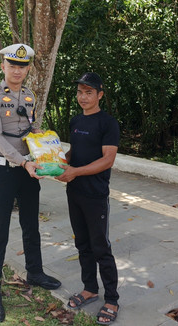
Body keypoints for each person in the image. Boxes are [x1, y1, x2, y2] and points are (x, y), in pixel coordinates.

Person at [0, 43, 62, 322]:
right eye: (12, 65)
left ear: (27, 69)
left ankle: (35, 272)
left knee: (31, 223)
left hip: (29, 170)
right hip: (5, 171)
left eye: (22, 66)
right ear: (3, 66)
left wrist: (47, 147)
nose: (17, 70)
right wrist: (23, 161)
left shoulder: (29, 96)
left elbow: (31, 129)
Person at [55, 72, 120, 325]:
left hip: (95, 195)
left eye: (89, 92)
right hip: (74, 192)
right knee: (82, 244)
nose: (83, 97)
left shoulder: (108, 123)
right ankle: (90, 288)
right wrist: (58, 162)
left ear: (100, 95)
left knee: (100, 247)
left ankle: (112, 299)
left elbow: (108, 159)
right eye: (80, 92)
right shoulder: (75, 121)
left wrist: (75, 172)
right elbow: (74, 151)